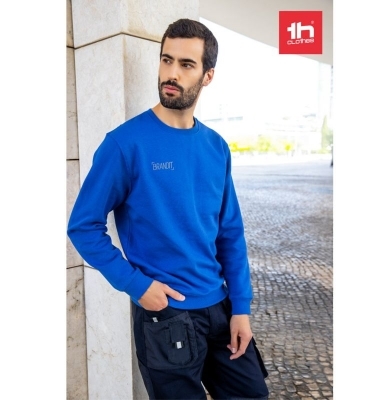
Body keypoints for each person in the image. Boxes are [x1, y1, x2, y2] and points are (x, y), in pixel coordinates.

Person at [67, 18, 269, 400]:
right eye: (166, 60)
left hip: (220, 307)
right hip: (165, 315)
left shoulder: (216, 147)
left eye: (186, 64)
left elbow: (230, 232)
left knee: (253, 393)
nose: (171, 73)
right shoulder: (125, 144)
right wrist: (136, 285)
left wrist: (240, 307)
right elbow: (83, 225)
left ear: (207, 76)